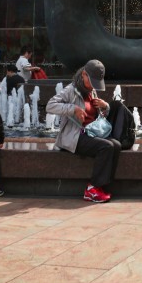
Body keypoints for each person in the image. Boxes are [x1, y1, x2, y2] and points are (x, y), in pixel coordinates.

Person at [45, 59, 130, 203]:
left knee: (115, 144)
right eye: (92, 82)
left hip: (91, 133)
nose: (93, 86)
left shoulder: (92, 91)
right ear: (84, 74)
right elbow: (50, 105)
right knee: (106, 147)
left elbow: (98, 116)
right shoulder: (71, 90)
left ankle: (101, 186)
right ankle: (92, 189)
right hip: (74, 136)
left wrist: (105, 106)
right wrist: (73, 109)